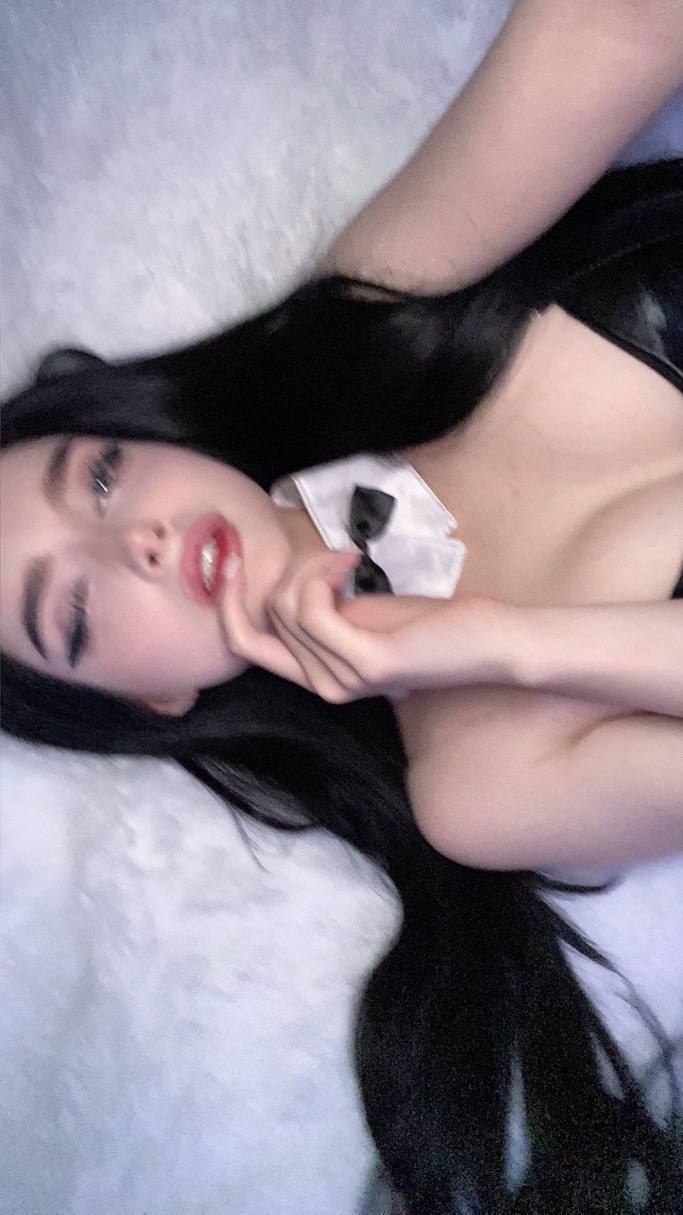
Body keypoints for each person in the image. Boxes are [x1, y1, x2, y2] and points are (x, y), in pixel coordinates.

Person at [1, 0, 682, 1209]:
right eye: (77, 614)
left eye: (98, 477)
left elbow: (614, 25)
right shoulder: (478, 783)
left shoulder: (371, 309)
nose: (134, 541)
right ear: (155, 700)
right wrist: (501, 645)